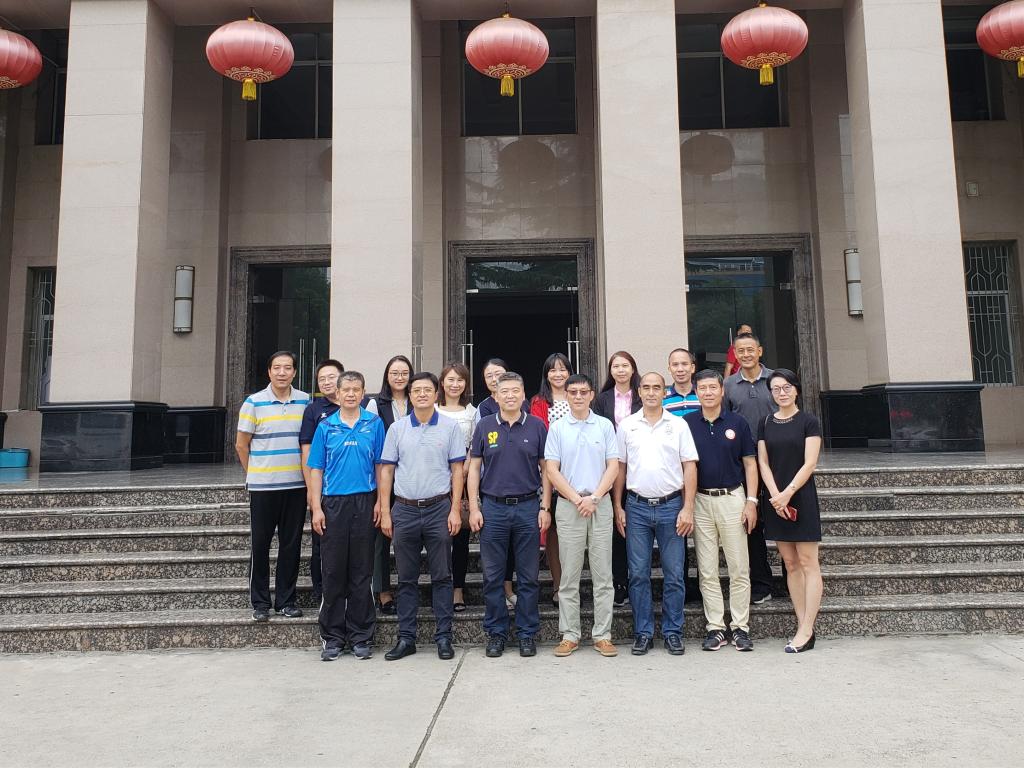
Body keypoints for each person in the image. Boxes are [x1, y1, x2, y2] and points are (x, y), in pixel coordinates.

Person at [379, 372, 466, 661]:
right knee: (406, 579)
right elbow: (387, 471)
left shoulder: (450, 428)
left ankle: (444, 637)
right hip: (404, 509)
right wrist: (386, 511)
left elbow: (457, 471)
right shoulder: (397, 429)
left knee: (442, 576)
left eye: (427, 390)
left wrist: (455, 509)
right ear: (410, 395)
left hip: (439, 508)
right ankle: (406, 638)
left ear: (436, 393)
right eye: (416, 390)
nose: (422, 394)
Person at [613, 372, 698, 656]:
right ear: (639, 392)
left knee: (674, 574)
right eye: (646, 388)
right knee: (638, 574)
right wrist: (618, 506)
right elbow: (620, 468)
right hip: (636, 507)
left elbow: (689, 466)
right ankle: (643, 633)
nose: (651, 392)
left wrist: (688, 507)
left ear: (664, 392)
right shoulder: (627, 426)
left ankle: (673, 632)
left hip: (671, 506)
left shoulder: (678, 425)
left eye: (656, 388)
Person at [468, 372, 551, 659]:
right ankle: (497, 633)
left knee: (528, 576)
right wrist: (474, 506)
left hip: (528, 507)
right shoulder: (485, 425)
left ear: (523, 394)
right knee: (492, 576)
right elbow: (474, 468)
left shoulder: (537, 426)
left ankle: (527, 634)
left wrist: (545, 507)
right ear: (496, 396)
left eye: (516, 391)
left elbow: (547, 469)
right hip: (493, 508)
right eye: (504, 391)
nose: (510, 396)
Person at [307, 371, 385, 661]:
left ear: (363, 394)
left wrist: (381, 502)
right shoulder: (326, 426)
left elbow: (380, 466)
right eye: (346, 390)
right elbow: (316, 469)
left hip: (365, 501)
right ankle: (333, 637)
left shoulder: (374, 424)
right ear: (337, 394)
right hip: (333, 504)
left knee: (362, 571)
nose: (351, 394)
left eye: (356, 390)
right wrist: (316, 507)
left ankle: (361, 635)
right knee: (333, 571)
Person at [545, 374, 620, 658]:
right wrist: (578, 499)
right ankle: (570, 634)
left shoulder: (604, 425)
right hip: (569, 505)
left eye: (583, 392)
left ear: (591, 395)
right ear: (566, 395)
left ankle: (602, 635)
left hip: (600, 504)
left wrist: (595, 498)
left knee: (603, 576)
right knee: (569, 576)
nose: (578, 396)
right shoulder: (557, 428)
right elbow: (551, 470)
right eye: (573, 392)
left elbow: (613, 466)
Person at [683, 369, 758, 652]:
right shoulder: (688, 423)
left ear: (722, 390)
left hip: (732, 499)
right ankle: (715, 627)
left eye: (713, 387)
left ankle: (740, 627)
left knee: (738, 567)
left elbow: (750, 464)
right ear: (696, 392)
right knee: (707, 569)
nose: (708, 393)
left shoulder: (738, 423)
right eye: (702, 388)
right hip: (701, 500)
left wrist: (751, 501)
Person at [235, 351, 309, 623]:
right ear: (269, 371)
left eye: (287, 368)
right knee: (260, 545)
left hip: (296, 486)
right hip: (263, 488)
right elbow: (241, 445)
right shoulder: (253, 403)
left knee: (291, 545)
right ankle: (260, 602)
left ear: (294, 372)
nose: (282, 372)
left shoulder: (305, 401)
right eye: (277, 367)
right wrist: (256, 473)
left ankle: (286, 601)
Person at [757, 368, 823, 653]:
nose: (781, 393)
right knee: (790, 563)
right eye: (776, 389)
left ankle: (807, 628)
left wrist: (788, 493)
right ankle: (802, 624)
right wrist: (775, 495)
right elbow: (763, 462)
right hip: (775, 500)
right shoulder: (765, 422)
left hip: (801, 495)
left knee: (808, 562)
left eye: (786, 388)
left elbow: (810, 463)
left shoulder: (808, 421)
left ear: (796, 389)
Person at [724, 332, 777, 605]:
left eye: (750, 349)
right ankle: (761, 582)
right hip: (744, 462)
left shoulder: (776, 380)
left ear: (760, 351)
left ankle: (792, 577)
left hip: (778, 460)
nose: (745, 355)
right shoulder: (728, 385)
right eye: (740, 351)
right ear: (735, 354)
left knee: (782, 518)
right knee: (751, 522)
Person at [364, 355, 413, 615]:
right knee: (381, 538)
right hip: (385, 475)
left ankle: (410, 588)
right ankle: (383, 592)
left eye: (404, 373)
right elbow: (373, 443)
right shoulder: (376, 404)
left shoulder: (418, 399)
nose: (399, 377)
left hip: (413, 477)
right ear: (387, 376)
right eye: (394, 373)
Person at [474, 357, 525, 609]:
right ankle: (495, 621)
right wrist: (475, 503)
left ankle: (513, 596)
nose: (495, 379)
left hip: (524, 495)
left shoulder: (529, 418)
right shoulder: (483, 413)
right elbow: (476, 460)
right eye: (489, 375)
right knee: (493, 559)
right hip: (493, 490)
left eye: (499, 374)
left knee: (522, 561)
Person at [592, 350, 641, 608]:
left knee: (637, 530)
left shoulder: (642, 395)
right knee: (617, 529)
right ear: (610, 371)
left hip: (640, 468)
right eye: (616, 366)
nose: (620, 370)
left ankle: (638, 581)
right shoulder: (602, 400)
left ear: (633, 369)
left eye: (625, 365)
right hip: (610, 469)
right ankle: (619, 582)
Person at [300, 358, 346, 606]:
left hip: (354, 489)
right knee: (321, 543)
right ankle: (322, 592)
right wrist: (311, 490)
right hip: (324, 488)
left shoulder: (356, 404)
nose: (327, 382)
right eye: (322, 379)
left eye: (331, 377)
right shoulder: (314, 410)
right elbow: (307, 451)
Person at [529, 352, 573, 607]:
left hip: (579, 476)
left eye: (562, 369)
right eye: (553, 370)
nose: (558, 374)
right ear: (546, 375)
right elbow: (540, 440)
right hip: (549, 475)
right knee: (554, 533)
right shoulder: (538, 402)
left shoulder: (578, 395)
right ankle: (558, 586)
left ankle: (575, 586)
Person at [436, 362, 477, 613]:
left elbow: (476, 446)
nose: (455, 384)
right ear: (442, 383)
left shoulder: (473, 413)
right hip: (435, 482)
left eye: (460, 380)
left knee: (460, 538)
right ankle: (440, 587)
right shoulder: (432, 410)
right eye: (450, 379)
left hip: (462, 479)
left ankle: (458, 589)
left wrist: (463, 469)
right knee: (438, 539)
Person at [663, 348, 700, 418]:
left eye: (684, 364)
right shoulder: (662, 397)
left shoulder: (703, 395)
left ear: (692, 368)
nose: (680, 369)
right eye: (675, 365)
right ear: (669, 369)